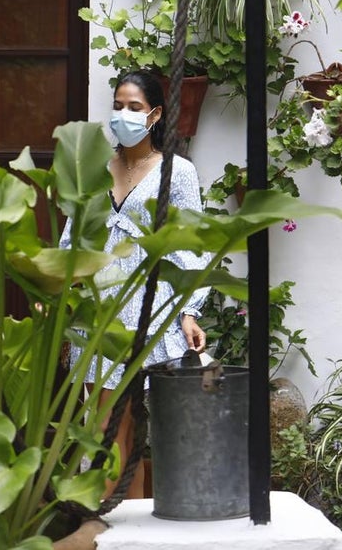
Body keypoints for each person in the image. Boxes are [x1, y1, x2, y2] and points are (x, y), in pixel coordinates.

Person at [63, 69, 209, 498]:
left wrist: (189, 311)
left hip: (150, 307)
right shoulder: (92, 168)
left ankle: (129, 537)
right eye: (118, 106)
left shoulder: (176, 172)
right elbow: (73, 239)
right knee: (105, 429)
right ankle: (106, 530)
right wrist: (64, 296)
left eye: (134, 108)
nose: (123, 115)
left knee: (137, 434)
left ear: (155, 114)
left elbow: (191, 247)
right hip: (99, 310)